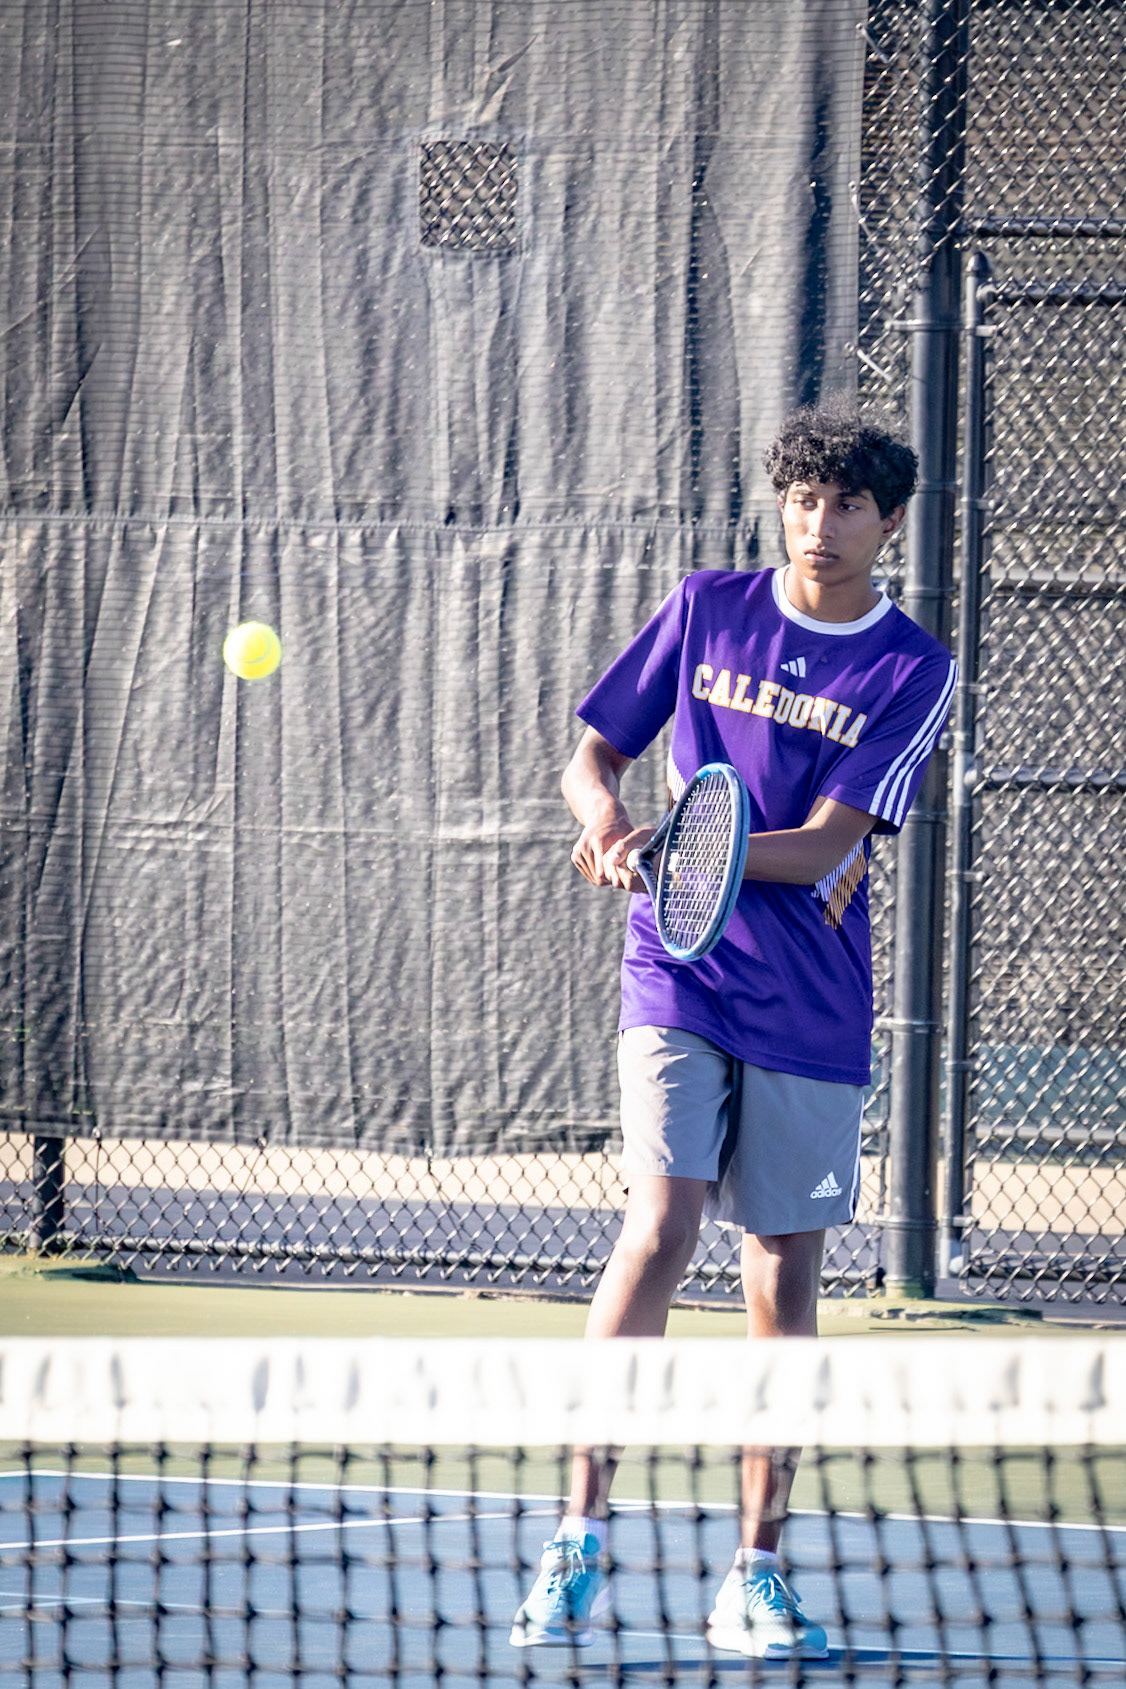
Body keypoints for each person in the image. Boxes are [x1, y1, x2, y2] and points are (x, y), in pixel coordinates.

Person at [509, 403, 957, 1661]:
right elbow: (593, 753)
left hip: (808, 1003)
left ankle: (752, 1573)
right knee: (657, 1228)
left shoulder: (910, 668)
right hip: (677, 971)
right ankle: (578, 1534)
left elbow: (826, 843)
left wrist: (686, 848)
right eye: (802, 501)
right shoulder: (707, 605)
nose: (819, 526)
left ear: (889, 522)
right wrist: (605, 821)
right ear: (782, 506)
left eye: (847, 507)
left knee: (781, 1281)